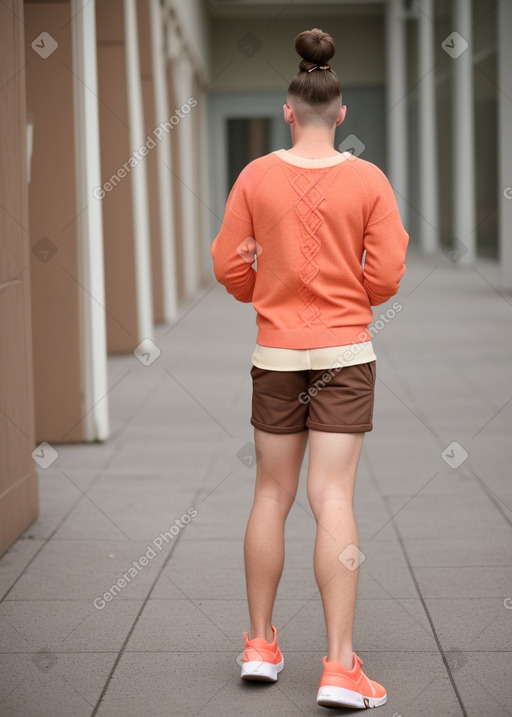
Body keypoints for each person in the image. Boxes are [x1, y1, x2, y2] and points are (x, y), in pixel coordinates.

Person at [210, 27, 408, 710]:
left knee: (272, 493)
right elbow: (385, 275)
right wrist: (354, 296)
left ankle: (261, 644)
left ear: (288, 109)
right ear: (341, 112)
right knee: (333, 499)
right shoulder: (368, 180)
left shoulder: (257, 175)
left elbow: (228, 264)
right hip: (345, 354)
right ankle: (339, 665)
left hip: (277, 353)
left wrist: (261, 294)